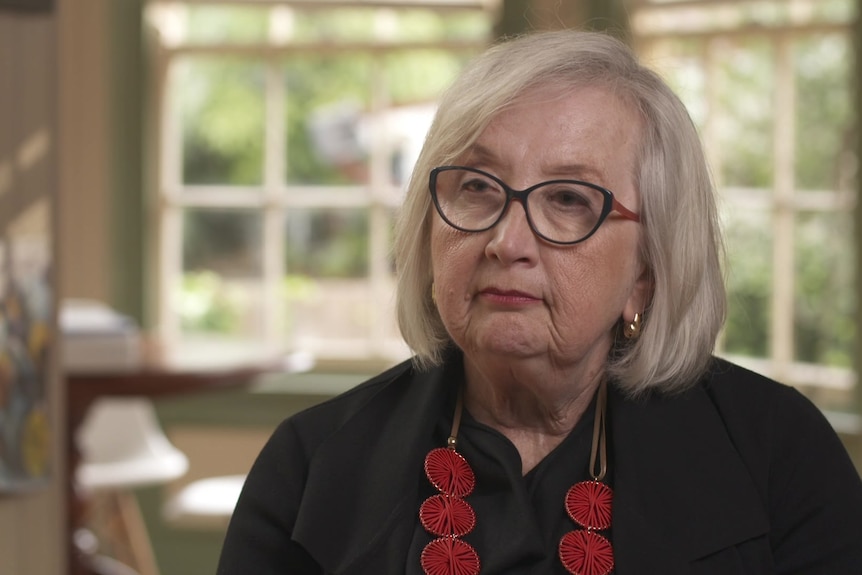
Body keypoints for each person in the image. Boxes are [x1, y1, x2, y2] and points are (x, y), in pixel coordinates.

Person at [216, 29, 862, 575]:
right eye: (477, 186)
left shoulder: (778, 452)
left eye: (570, 199)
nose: (506, 240)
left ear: (648, 269)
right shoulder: (311, 461)